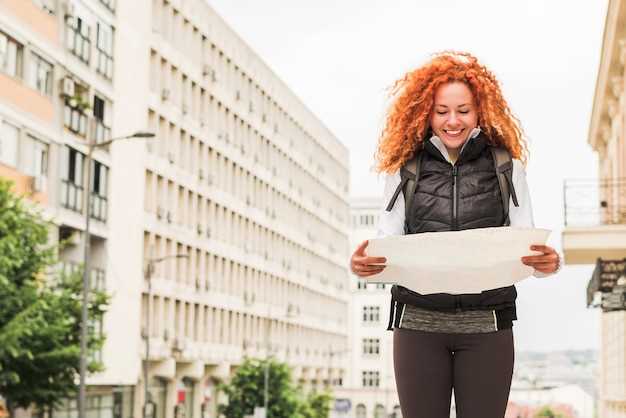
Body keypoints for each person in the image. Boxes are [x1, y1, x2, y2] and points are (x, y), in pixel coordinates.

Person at [349, 51, 561, 418]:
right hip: (416, 325)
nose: (452, 121)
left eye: (463, 110)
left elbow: (527, 246)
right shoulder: (405, 169)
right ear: (425, 113)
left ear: (480, 111)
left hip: (487, 327)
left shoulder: (506, 167)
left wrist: (547, 264)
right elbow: (387, 241)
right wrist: (363, 265)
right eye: (441, 111)